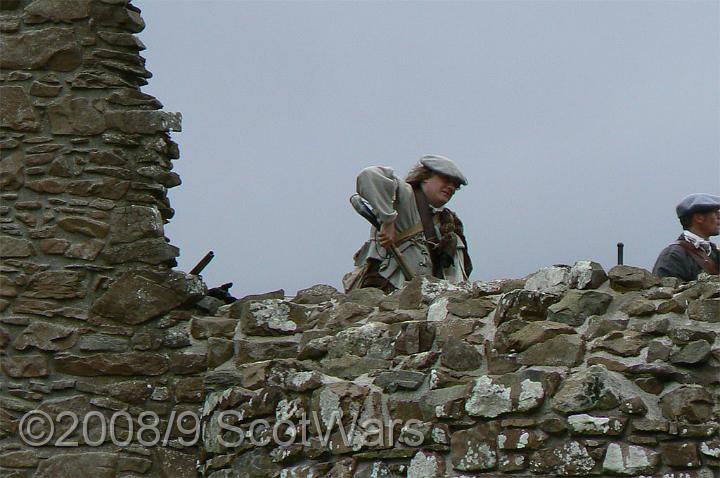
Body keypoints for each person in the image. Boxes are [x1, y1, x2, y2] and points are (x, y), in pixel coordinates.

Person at [345, 154, 472, 293]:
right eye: (446, 179)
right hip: (388, 289)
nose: (451, 187)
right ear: (425, 177)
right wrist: (388, 221)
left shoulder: (450, 222)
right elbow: (369, 176)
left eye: (455, 185)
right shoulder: (403, 195)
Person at [652, 193, 720, 281]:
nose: (719, 217)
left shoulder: (715, 252)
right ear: (699, 218)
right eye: (715, 213)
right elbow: (665, 291)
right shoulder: (673, 256)